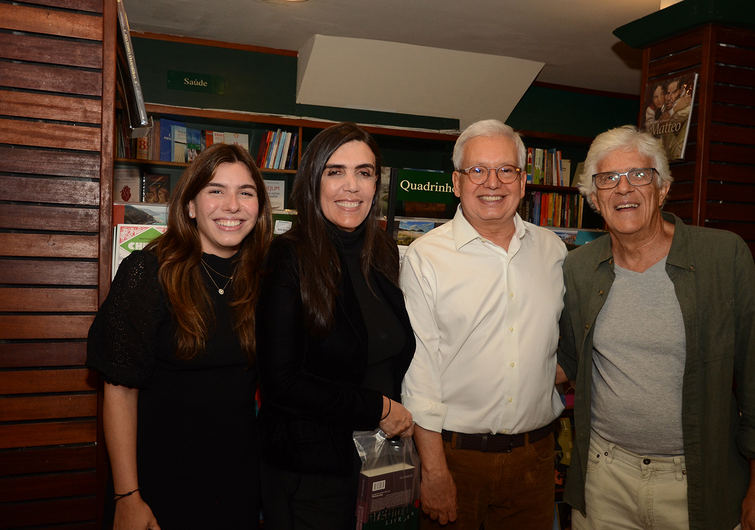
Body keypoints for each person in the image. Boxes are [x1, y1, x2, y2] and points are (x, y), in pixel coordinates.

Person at [557, 125, 755, 530]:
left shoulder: (723, 255)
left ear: (662, 189)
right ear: (595, 199)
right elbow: (567, 360)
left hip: (699, 481)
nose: (623, 188)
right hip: (604, 479)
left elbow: (753, 373)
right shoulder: (578, 267)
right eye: (608, 179)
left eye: (639, 175)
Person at [87, 143, 272, 529]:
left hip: (237, 484)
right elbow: (119, 391)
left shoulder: (265, 280)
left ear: (259, 208)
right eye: (216, 190)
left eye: (246, 192)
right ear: (190, 205)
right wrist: (127, 496)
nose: (232, 205)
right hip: (157, 486)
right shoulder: (148, 272)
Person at [401, 119, 568, 529]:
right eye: (477, 170)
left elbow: (567, 341)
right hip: (456, 458)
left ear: (523, 181)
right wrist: (435, 471)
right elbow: (419, 376)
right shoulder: (425, 257)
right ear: (457, 182)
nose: (492, 182)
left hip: (536, 458)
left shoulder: (553, 251)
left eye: (505, 170)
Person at [256, 122, 416, 529]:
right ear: (313, 181)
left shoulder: (381, 252)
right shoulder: (287, 256)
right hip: (311, 470)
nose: (351, 186)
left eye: (364, 173)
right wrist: (378, 407)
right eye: (335, 171)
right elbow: (281, 382)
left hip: (377, 461)